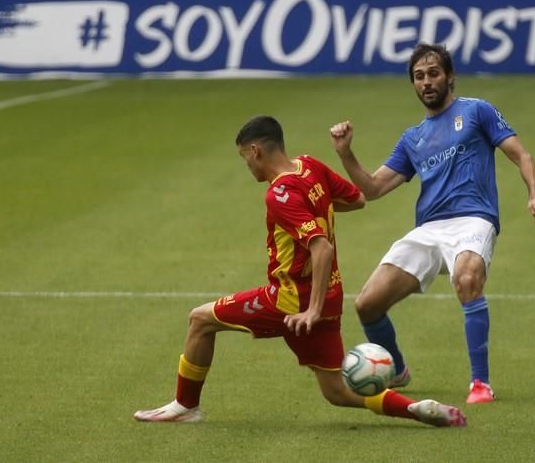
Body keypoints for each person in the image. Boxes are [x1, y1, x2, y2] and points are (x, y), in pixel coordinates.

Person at [133, 115, 467, 427]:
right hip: (330, 295)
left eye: (244, 157)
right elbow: (357, 200)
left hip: (290, 301)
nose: (246, 164)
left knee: (200, 320)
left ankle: (185, 406)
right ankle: (414, 408)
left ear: (256, 150)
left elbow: (321, 248)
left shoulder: (279, 194)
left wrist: (312, 310)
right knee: (335, 391)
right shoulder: (310, 167)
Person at [329, 43, 535, 404]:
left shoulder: (477, 112)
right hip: (430, 229)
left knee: (466, 279)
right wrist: (345, 153)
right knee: (367, 304)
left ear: (450, 77)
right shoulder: (412, 138)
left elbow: (520, 154)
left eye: (433, 73)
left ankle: (480, 384)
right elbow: (372, 188)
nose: (426, 82)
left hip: (473, 220)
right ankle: (397, 370)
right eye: (419, 77)